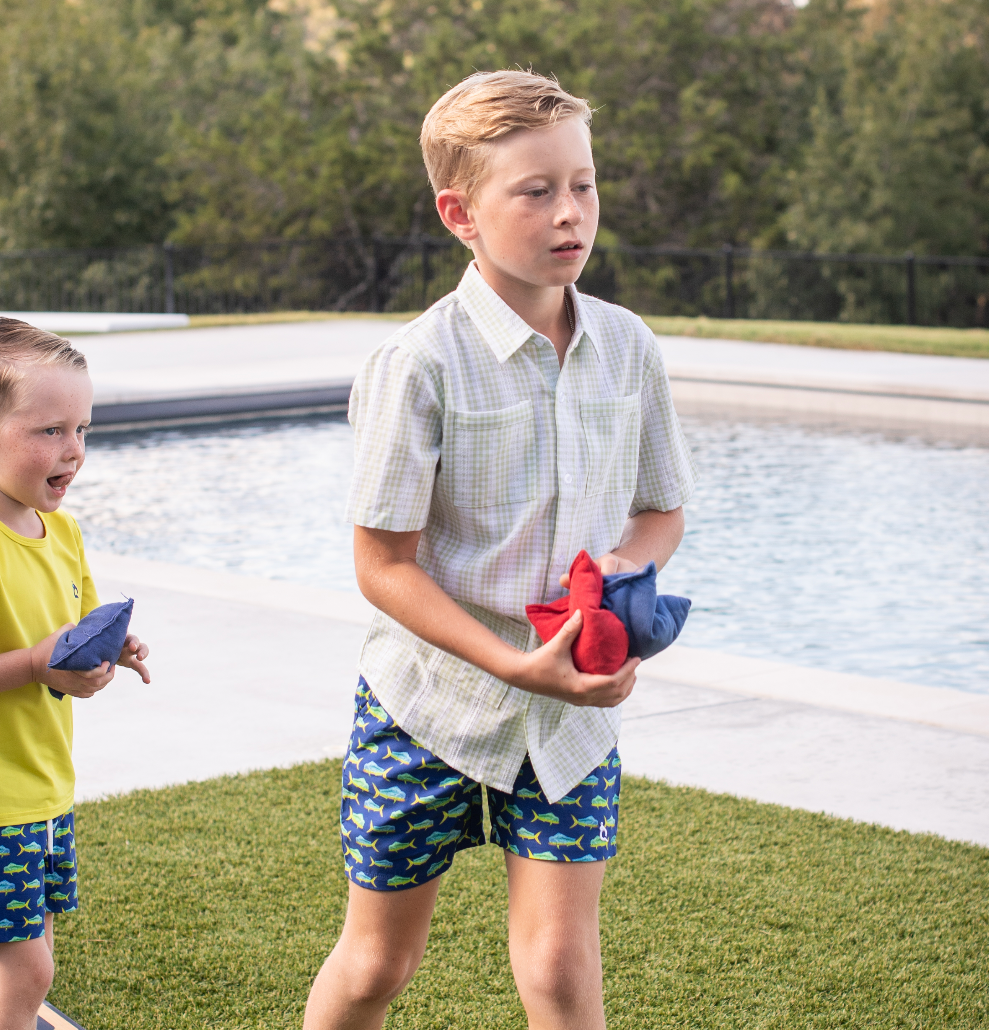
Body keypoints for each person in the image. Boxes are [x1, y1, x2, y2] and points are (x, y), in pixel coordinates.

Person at [305, 70, 696, 1030]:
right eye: (536, 191)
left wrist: (615, 593)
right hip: (425, 708)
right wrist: (522, 665)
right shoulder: (417, 365)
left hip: (569, 724)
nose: (572, 213)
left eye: (585, 184)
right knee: (375, 967)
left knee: (561, 970)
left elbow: (661, 511)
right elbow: (382, 564)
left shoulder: (628, 347)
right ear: (460, 213)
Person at [0, 318, 150, 1030]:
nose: (75, 451)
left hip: (45, 787)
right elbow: (41, 655)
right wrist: (36, 666)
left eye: (82, 429)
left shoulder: (62, 532)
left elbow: (78, 624)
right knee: (28, 967)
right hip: (2, 802)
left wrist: (114, 647)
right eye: (50, 431)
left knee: (33, 944)